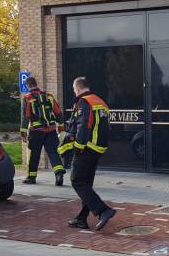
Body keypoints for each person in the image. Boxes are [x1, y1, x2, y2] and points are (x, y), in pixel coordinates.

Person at [66, 77, 116, 231]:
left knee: (77, 181)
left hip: (86, 148)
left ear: (78, 89)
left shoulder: (83, 102)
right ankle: (81, 218)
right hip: (98, 149)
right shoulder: (100, 101)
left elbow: (83, 126)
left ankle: (103, 211)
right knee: (86, 183)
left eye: (75, 90)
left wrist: (78, 147)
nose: (75, 92)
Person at [20, 76, 66, 186]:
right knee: (53, 152)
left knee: (34, 154)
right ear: (36, 84)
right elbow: (58, 113)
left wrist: (23, 133)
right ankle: (59, 173)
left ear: (27, 86)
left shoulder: (27, 98)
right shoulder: (48, 96)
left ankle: (31, 177)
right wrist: (61, 128)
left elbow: (25, 117)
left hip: (36, 131)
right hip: (50, 130)